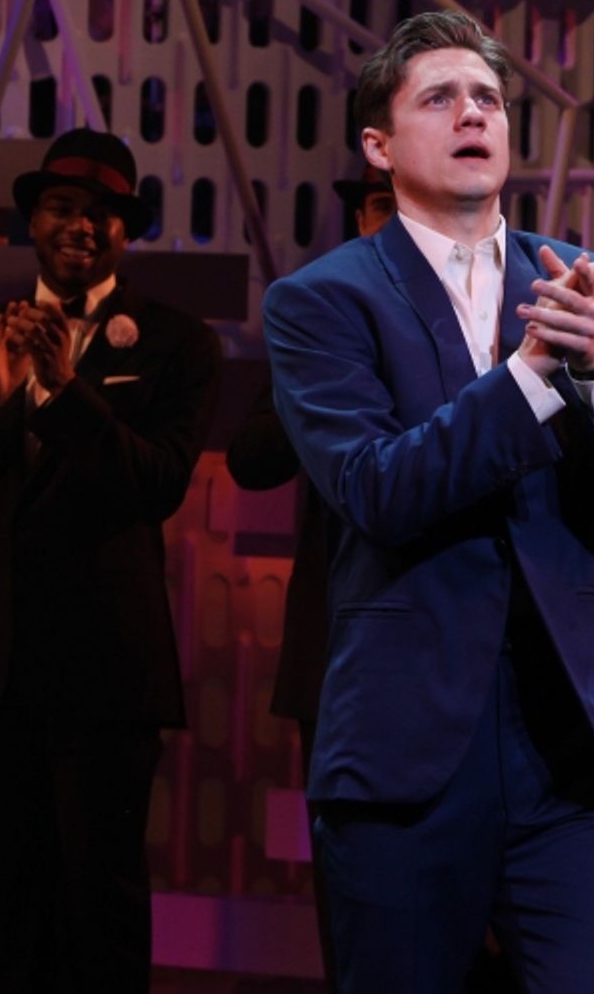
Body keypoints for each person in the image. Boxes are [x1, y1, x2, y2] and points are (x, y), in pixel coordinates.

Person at [262, 9, 594, 993]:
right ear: (378, 146)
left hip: (576, 758)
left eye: (489, 99)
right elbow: (377, 489)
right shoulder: (322, 300)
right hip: (406, 759)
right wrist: (529, 378)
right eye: (440, 98)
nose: (473, 113)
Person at [0, 128, 221, 993]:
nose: (81, 226)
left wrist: (61, 392)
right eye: (62, 207)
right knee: (14, 912)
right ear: (34, 220)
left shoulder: (175, 341)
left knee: (103, 912)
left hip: (109, 672)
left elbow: (157, 484)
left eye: (102, 213)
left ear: (126, 231)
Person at [225, 164, 395, 982]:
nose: (394, 224)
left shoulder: (488, 314)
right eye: (380, 207)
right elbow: (254, 459)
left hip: (458, 647)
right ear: (359, 221)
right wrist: (331, 376)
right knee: (349, 898)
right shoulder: (316, 318)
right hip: (337, 646)